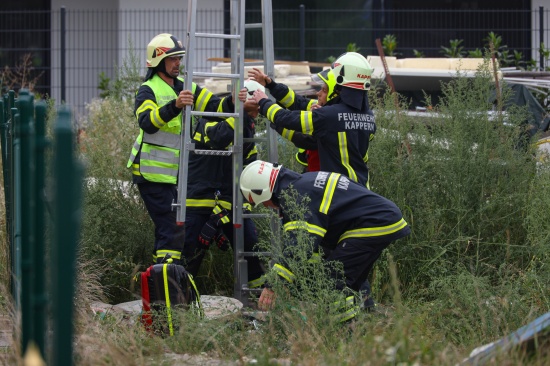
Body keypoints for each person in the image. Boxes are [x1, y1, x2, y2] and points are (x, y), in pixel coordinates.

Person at [240, 160, 411, 321]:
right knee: (348, 280)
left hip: (375, 222)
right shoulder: (300, 184)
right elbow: (312, 248)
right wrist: (295, 282)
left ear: (262, 191)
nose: (266, 207)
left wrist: (273, 286)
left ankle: (344, 332)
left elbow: (300, 245)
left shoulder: (295, 197)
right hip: (380, 218)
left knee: (334, 278)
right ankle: (361, 320)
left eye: (263, 203)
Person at [127, 33, 239, 265]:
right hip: (150, 173)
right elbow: (146, 122)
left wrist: (233, 101)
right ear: (158, 60)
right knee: (172, 228)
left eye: (179, 58)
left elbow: (214, 106)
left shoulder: (184, 87)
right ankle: (168, 287)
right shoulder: (147, 89)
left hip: (171, 177)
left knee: (171, 228)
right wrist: (175, 106)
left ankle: (163, 286)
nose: (178, 63)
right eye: (173, 58)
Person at [181, 79, 266, 288]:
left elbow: (249, 170)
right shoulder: (207, 119)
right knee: (190, 257)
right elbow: (218, 138)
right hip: (198, 202)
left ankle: (260, 300)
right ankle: (178, 305)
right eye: (254, 108)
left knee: (251, 249)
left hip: (229, 204)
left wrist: (223, 217)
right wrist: (241, 113)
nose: (256, 114)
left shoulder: (248, 125)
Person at [250, 52, 376, 189]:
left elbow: (285, 118)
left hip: (340, 191)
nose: (318, 93)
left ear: (337, 87)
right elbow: (299, 102)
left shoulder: (327, 115)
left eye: (323, 89)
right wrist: (272, 86)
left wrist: (263, 102)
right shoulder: (368, 116)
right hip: (362, 190)